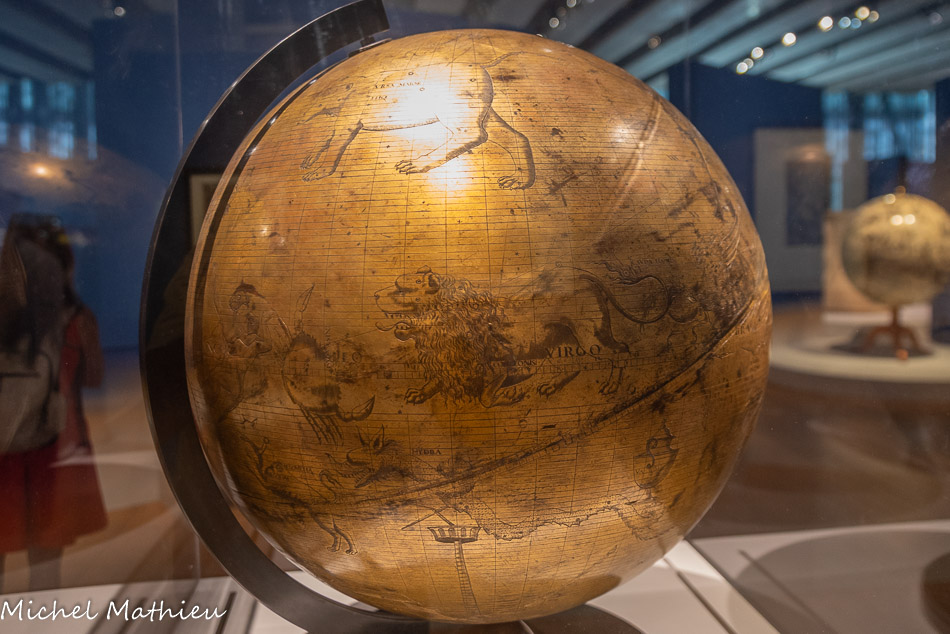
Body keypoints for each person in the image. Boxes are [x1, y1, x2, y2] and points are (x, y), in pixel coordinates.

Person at [0, 216, 107, 592]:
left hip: (4, 449)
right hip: (56, 447)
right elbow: (93, 377)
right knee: (45, 567)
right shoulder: (76, 319)